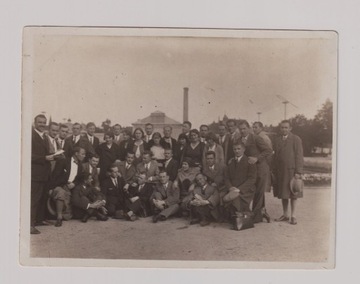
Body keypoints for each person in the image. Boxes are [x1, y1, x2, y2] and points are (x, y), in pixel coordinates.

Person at [238, 120, 272, 223]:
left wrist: (257, 158)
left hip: (261, 169)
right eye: (240, 129)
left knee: (259, 192)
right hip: (249, 171)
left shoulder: (256, 138)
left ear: (248, 128)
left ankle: (256, 217)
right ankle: (258, 212)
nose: (242, 131)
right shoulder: (238, 139)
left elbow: (268, 150)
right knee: (250, 190)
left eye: (244, 128)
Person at [272, 120, 304, 225]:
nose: (284, 129)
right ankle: (285, 215)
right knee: (283, 193)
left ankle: (293, 216)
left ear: (290, 128)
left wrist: (298, 171)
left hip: (292, 171)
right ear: (280, 129)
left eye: (286, 127)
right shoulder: (277, 140)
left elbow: (299, 156)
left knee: (293, 193)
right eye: (282, 127)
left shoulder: (296, 139)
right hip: (281, 171)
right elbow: (275, 156)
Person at [49, 147, 86, 227]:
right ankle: (59, 218)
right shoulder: (64, 161)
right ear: (76, 153)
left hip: (71, 187)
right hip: (60, 185)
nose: (84, 156)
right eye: (82, 154)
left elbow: (80, 179)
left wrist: (74, 184)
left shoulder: (80, 166)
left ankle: (64, 213)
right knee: (61, 193)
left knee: (68, 216)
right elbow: (55, 175)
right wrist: (51, 188)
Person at [31, 114, 52, 234]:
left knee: (42, 198)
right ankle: (29, 225)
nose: (43, 125)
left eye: (44, 122)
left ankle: (38, 220)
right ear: (35, 123)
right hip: (36, 174)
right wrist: (44, 158)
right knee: (34, 199)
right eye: (40, 122)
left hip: (44, 174)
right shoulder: (32, 136)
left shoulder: (44, 136)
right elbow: (28, 155)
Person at [223, 142, 257, 216]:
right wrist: (230, 187)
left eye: (239, 149)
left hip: (246, 190)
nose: (237, 151)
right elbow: (226, 177)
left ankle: (242, 215)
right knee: (223, 197)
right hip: (233, 188)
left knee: (236, 199)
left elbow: (252, 179)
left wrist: (239, 189)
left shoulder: (249, 161)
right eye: (235, 149)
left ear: (244, 149)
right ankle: (233, 215)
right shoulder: (230, 161)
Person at [202, 151, 226, 220]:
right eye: (208, 159)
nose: (209, 160)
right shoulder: (204, 170)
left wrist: (218, 183)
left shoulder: (222, 167)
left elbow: (227, 179)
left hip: (222, 188)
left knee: (218, 197)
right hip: (212, 190)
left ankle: (219, 216)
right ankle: (209, 216)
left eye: (211, 158)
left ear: (215, 159)